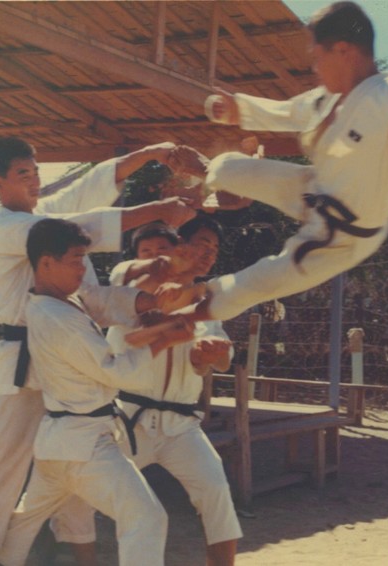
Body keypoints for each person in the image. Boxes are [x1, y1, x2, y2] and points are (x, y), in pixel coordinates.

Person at [163, 1, 388, 324]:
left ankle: (190, 317)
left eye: (317, 56)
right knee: (231, 167)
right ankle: (210, 175)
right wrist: (241, 109)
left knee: (263, 279)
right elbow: (289, 112)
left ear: (343, 51)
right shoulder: (326, 100)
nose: (315, 67)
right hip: (314, 188)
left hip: (344, 233)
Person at [0, 136, 196, 565]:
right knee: (2, 464)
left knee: (77, 448)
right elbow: (86, 224)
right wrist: (158, 210)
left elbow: (90, 187)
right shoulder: (9, 228)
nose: (33, 180)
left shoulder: (42, 215)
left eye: (35, 171)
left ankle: (76, 550)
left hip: (63, 362)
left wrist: (152, 154)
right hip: (21, 360)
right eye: (22, 174)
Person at [0, 218, 195, 566]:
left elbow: (101, 299)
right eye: (75, 260)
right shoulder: (58, 317)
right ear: (46, 263)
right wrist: (162, 338)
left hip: (56, 443)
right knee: (146, 517)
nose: (82, 269)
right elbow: (115, 371)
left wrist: (149, 301)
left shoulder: (57, 301)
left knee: (24, 521)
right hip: (84, 445)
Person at [107, 215, 242, 566]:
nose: (205, 253)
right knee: (80, 491)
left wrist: (208, 356)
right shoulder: (128, 289)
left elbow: (218, 358)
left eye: (212, 247)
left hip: (181, 426)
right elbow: (133, 325)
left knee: (215, 491)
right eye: (199, 244)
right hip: (129, 420)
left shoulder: (207, 302)